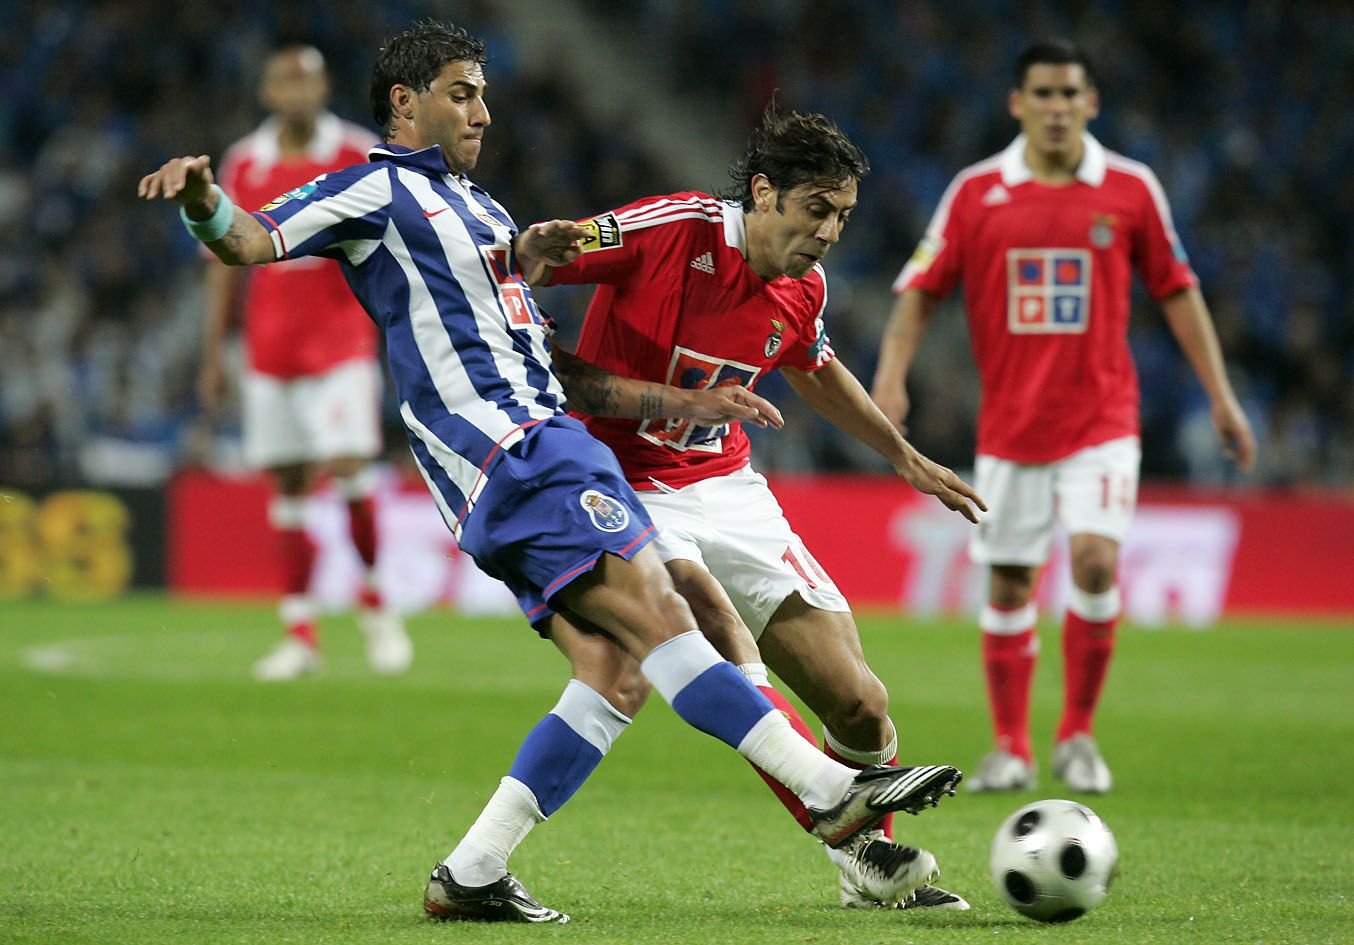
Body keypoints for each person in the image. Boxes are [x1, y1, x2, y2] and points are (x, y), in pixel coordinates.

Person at [138, 19, 969, 925]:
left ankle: (471, 872)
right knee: (673, 608)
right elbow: (252, 241)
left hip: (545, 440)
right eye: (462, 92)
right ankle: (827, 790)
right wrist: (202, 203)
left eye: (485, 93)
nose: (483, 111)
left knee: (617, 669)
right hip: (514, 447)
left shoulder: (486, 211)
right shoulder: (372, 190)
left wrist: (680, 402)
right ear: (405, 103)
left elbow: (562, 366)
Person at [510, 103, 984, 912]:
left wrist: (902, 455)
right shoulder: (672, 231)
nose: (829, 231)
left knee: (861, 701)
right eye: (816, 210)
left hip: (726, 488)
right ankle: (861, 841)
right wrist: (536, 255)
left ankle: (861, 867)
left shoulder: (805, 285)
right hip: (624, 481)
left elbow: (814, 365)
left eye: (841, 216)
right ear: (764, 193)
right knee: (717, 629)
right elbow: (537, 259)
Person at [872, 39, 1257, 795]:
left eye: (1069, 94)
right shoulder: (978, 191)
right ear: (1018, 103)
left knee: (1095, 561)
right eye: (1042, 94)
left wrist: (1221, 394)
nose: (1056, 108)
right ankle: (1011, 747)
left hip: (1102, 419)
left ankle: (1077, 734)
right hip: (1012, 425)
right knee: (1011, 582)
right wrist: (891, 377)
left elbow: (1177, 289)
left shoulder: (1130, 187)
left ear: (1092, 103)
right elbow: (919, 288)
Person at [200, 43, 411, 681]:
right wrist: (215, 351)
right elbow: (220, 264)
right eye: (284, 83)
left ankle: (376, 604)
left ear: (322, 89)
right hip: (269, 350)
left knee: (348, 467)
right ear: (268, 92)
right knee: (288, 488)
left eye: (307, 83)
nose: (296, 94)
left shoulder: (354, 153)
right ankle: (299, 630)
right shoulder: (244, 161)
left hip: (341, 342)